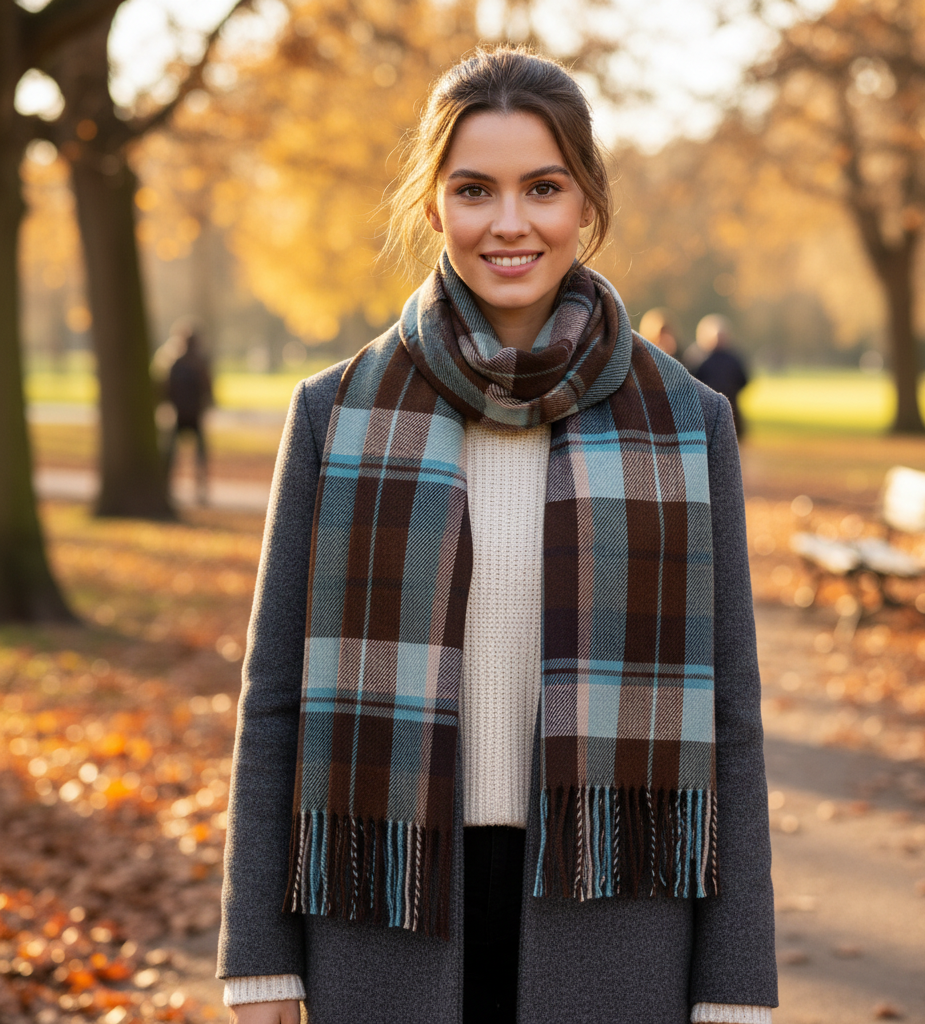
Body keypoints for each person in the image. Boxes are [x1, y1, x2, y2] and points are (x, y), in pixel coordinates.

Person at [217, 47, 775, 1024]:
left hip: (614, 915)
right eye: (475, 188)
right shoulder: (335, 415)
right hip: (384, 909)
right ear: (434, 205)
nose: (509, 223)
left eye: (542, 187)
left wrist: (735, 985)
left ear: (585, 204)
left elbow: (731, 718)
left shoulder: (688, 420)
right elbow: (273, 706)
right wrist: (260, 962)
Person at [161, 321, 214, 503]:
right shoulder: (197, 363)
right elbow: (208, 387)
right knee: (194, 455)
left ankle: (180, 490)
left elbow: (165, 389)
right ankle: (198, 491)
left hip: (182, 414)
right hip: (190, 414)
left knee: (174, 455)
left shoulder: (175, 362)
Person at [684, 314, 749, 440]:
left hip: (731, 412)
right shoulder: (695, 358)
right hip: (702, 415)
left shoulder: (734, 358)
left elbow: (743, 380)